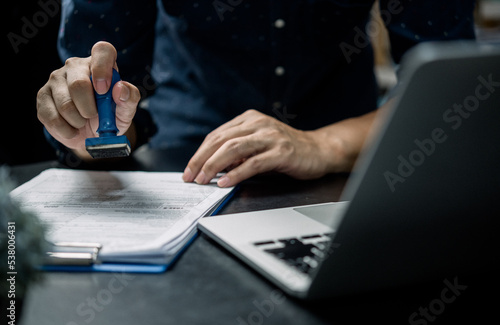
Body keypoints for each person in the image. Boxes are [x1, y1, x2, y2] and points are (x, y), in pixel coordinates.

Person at [36, 0, 476, 187]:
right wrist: (94, 138)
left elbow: (452, 94)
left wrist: (325, 144)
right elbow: (105, 123)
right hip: (183, 175)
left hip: (353, 168)